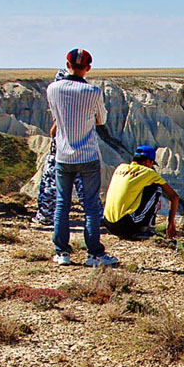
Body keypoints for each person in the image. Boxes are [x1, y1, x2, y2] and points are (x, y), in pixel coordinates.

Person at [46, 48, 116, 267]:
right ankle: (94, 254)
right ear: (88, 68)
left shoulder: (53, 88)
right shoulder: (93, 91)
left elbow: (56, 117)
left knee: (62, 204)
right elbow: (101, 120)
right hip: (87, 155)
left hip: (63, 155)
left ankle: (62, 253)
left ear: (67, 65)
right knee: (91, 206)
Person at [32, 67, 83, 228]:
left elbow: (54, 132)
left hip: (60, 153)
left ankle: (46, 216)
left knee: (50, 184)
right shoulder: (79, 102)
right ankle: (97, 216)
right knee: (85, 187)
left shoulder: (60, 103)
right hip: (79, 152)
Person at [103, 145, 179, 240]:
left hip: (108, 223)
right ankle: (142, 229)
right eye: (152, 163)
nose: (151, 166)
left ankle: (128, 229)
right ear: (147, 161)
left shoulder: (120, 167)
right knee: (157, 188)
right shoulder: (148, 172)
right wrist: (171, 222)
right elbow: (174, 196)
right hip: (124, 225)